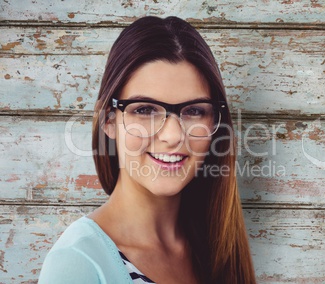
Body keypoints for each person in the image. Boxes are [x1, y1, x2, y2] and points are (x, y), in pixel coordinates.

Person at [39, 16, 256, 284]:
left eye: (194, 111)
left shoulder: (215, 247)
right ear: (109, 119)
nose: (173, 135)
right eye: (145, 109)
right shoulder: (78, 263)